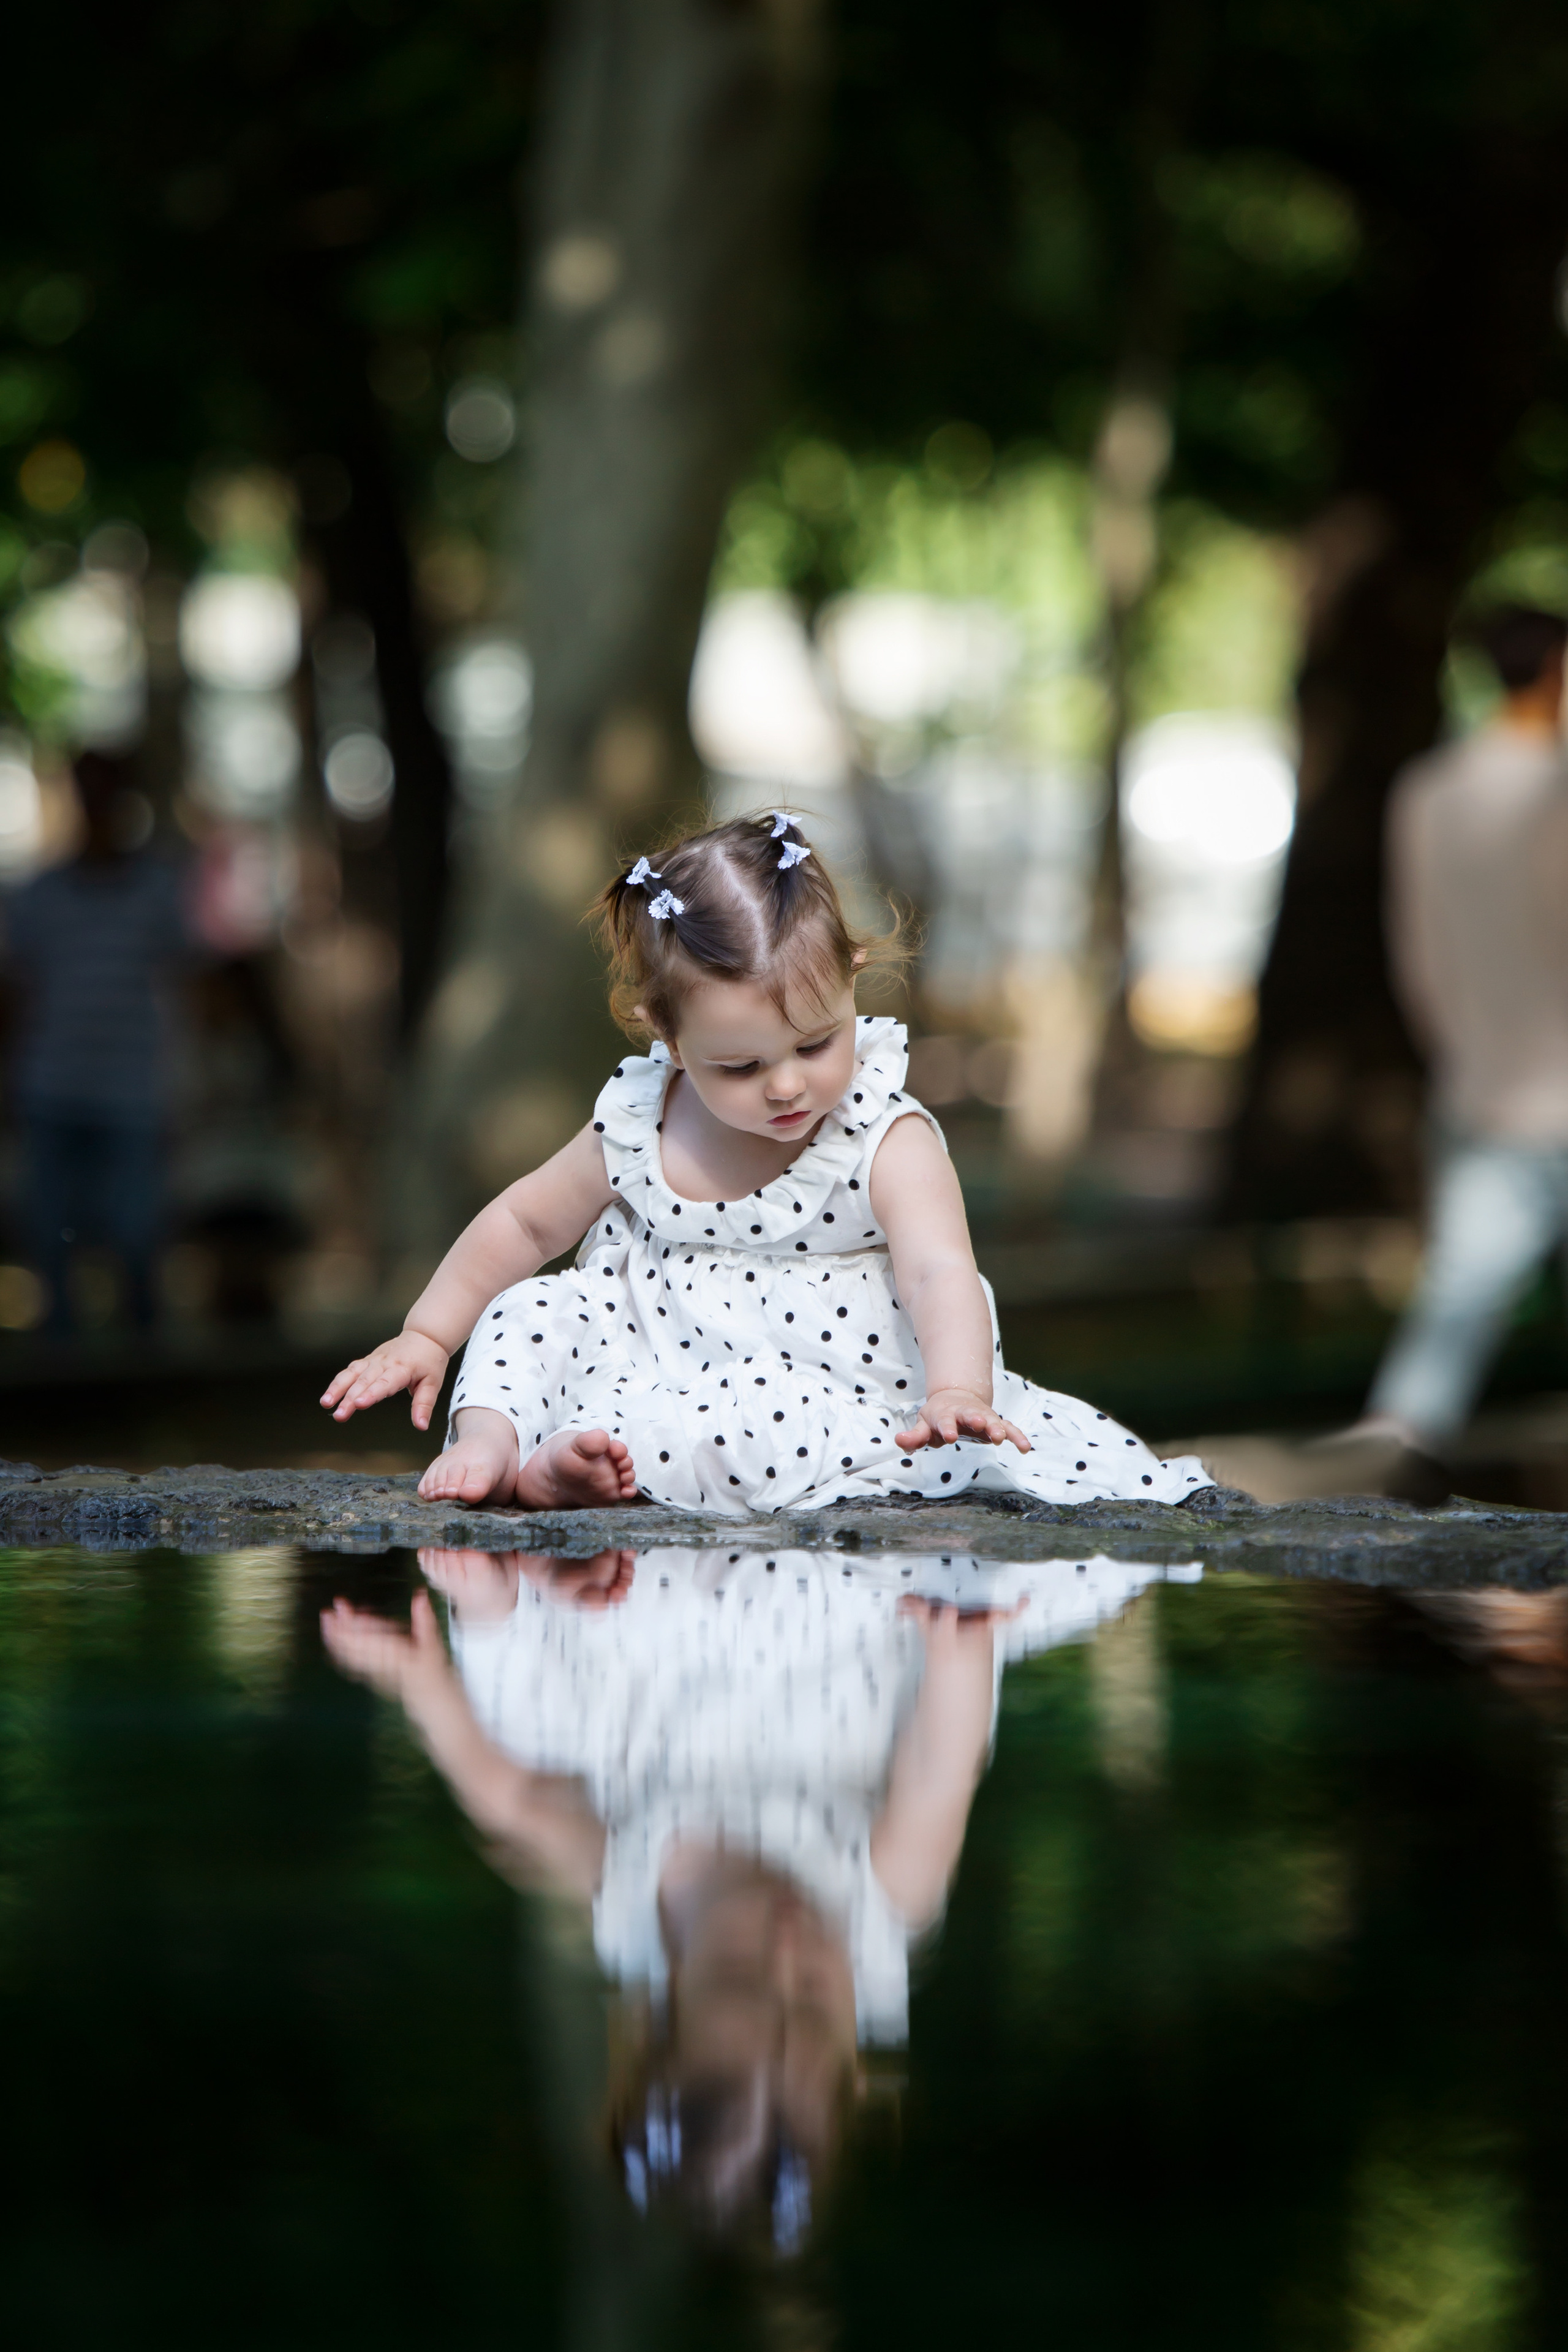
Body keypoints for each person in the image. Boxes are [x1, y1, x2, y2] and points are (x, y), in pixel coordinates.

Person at [322, 812, 1212, 1513]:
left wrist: (957, 1391)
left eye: (817, 1043)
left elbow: (942, 1270)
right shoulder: (642, 1118)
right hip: (640, 1358)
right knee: (531, 1308)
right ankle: (491, 1443)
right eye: (740, 1067)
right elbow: (523, 1222)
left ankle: (567, 1470)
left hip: (811, 1389)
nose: (787, 1087)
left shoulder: (882, 1133)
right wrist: (428, 1334)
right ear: (665, 1035)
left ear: (855, 977)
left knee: (750, 1427)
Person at [321, 1539, 1191, 2244]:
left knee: (522, 1680)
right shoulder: (879, 1921)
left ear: (664, 2004)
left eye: (740, 1973)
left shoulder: (637, 1906)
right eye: (814, 2001)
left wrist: (421, 1686)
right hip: (841, 1633)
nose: (789, 1946)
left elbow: (513, 1804)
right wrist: (958, 1648)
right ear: (851, 2050)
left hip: (649, 1637)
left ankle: (524, 1534)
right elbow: (940, 1773)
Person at [2, 747, 191, 1333]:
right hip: (51, 1085)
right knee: (50, 1235)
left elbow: (189, 983)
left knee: (138, 1233)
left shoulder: (157, 890)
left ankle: (143, 1358)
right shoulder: (39, 896)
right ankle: (66, 1372)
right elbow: (15, 994)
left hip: (132, 1088)